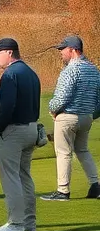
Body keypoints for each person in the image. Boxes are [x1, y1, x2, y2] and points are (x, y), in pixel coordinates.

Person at [0, 37, 41, 231]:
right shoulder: (30, 72)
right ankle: (29, 223)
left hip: (13, 130)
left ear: (9, 53)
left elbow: (7, 106)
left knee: (10, 177)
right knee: (24, 176)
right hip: (31, 128)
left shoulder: (10, 74)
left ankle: (16, 224)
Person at [42, 34, 100, 200]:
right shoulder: (94, 69)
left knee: (63, 152)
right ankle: (96, 186)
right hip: (86, 117)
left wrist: (52, 109)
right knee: (82, 150)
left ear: (73, 50)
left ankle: (63, 190)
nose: (61, 52)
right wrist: (91, 114)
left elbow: (62, 97)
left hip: (67, 117)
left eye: (63, 49)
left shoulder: (70, 70)